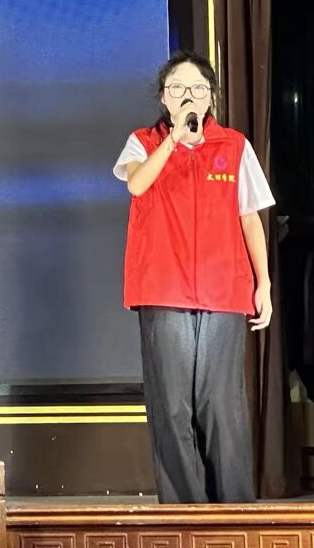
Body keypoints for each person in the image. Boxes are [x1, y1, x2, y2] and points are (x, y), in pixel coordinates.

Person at [116, 51, 274, 503]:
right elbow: (137, 185)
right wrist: (172, 142)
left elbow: (250, 218)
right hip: (163, 291)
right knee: (172, 407)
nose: (189, 96)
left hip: (224, 291)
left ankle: (235, 514)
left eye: (198, 88)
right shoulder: (142, 142)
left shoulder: (235, 146)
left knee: (222, 406)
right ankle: (186, 516)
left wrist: (263, 284)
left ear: (211, 98)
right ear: (164, 98)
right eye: (178, 89)